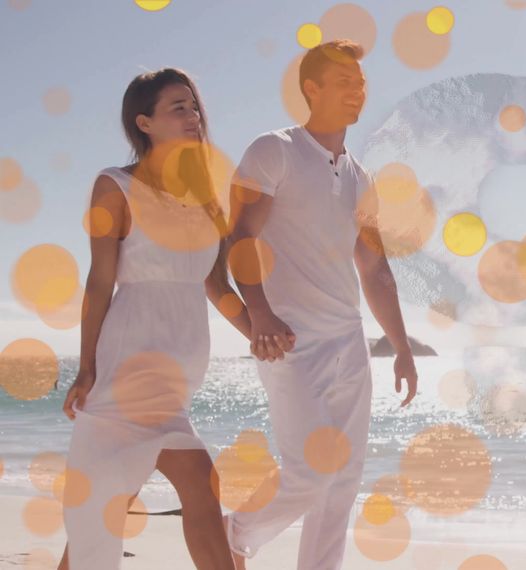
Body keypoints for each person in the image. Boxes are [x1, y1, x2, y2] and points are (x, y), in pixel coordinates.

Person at [222, 39, 418, 570]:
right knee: (310, 472)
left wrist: (401, 346)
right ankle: (235, 535)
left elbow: (375, 270)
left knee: (341, 486)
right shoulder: (275, 150)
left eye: (361, 82)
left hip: (349, 343)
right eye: (344, 81)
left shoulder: (362, 178)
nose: (357, 91)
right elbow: (239, 237)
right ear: (312, 89)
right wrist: (258, 313)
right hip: (289, 341)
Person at [58, 68, 251, 570]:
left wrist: (261, 334)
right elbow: (100, 282)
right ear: (144, 122)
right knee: (177, 490)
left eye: (193, 106)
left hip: (178, 377)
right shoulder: (115, 187)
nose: (193, 117)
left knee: (103, 513)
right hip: (130, 365)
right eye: (177, 108)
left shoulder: (207, 196)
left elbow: (215, 285)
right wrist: (85, 368)